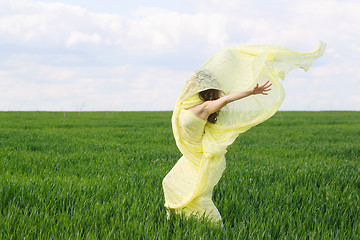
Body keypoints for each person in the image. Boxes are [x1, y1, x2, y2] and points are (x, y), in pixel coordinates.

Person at [162, 41, 326, 226]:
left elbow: (225, 100)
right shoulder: (186, 104)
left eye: (191, 81)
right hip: (191, 156)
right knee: (169, 183)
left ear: (200, 87)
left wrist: (251, 91)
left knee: (201, 196)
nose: (187, 83)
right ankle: (173, 221)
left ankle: (217, 228)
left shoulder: (205, 107)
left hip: (201, 158)